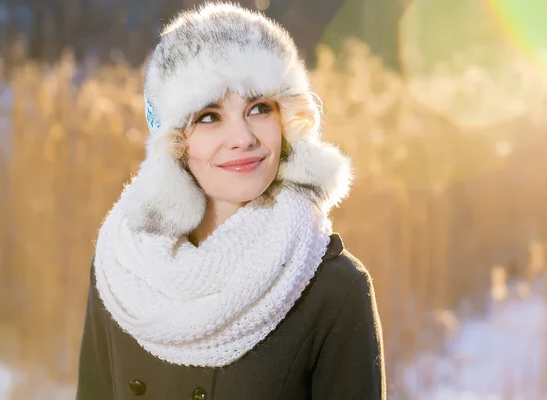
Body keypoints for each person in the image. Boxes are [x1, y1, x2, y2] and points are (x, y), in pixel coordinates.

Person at [76, 2, 386, 399]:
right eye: (209, 116)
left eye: (259, 109)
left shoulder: (332, 289)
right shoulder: (122, 267)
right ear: (174, 140)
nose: (243, 138)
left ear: (285, 121)